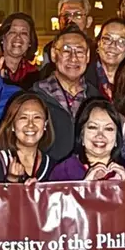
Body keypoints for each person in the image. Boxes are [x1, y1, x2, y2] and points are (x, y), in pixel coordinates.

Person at [31, 24, 98, 160]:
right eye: (66, 51)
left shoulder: (96, 98)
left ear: (87, 56)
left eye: (79, 51)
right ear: (54, 55)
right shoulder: (34, 97)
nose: (73, 58)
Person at [48, 98, 125, 181]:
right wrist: (84, 187)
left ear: (117, 138)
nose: (100, 135)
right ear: (82, 134)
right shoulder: (63, 171)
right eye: (93, 127)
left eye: (108, 129)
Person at [0, 91, 53, 183]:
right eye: (23, 118)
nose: (30, 124)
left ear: (45, 124)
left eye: (37, 117)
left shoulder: (53, 167)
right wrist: (11, 180)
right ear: (12, 125)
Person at [91, 17, 125, 100]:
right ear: (98, 44)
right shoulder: (83, 77)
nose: (113, 45)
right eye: (107, 39)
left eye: (121, 41)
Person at [0, 11, 40, 86]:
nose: (18, 37)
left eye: (24, 33)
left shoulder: (37, 77)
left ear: (30, 42)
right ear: (2, 38)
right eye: (13, 32)